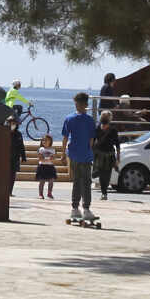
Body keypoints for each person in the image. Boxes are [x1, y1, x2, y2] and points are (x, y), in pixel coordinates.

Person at [61, 91, 98, 222]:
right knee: (86, 182)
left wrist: (62, 153)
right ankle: (86, 209)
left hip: (74, 153)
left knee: (77, 181)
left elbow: (65, 137)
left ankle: (75, 208)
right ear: (86, 104)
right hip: (85, 154)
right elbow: (92, 139)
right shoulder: (89, 120)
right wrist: (89, 150)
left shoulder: (69, 118)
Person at [92, 110, 121, 200]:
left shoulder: (113, 130)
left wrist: (118, 157)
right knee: (101, 174)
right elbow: (92, 141)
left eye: (106, 117)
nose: (104, 119)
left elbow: (117, 144)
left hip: (109, 154)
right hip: (99, 154)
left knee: (107, 174)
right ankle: (104, 192)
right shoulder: (97, 128)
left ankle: (104, 193)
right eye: (104, 117)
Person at [36, 133, 57, 199]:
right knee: (42, 181)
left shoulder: (53, 150)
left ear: (50, 141)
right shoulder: (41, 149)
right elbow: (40, 158)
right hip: (42, 167)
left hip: (50, 167)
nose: (45, 142)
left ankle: (49, 193)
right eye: (43, 140)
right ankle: (40, 194)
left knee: (51, 181)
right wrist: (48, 159)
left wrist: (50, 159)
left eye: (46, 140)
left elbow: (53, 158)